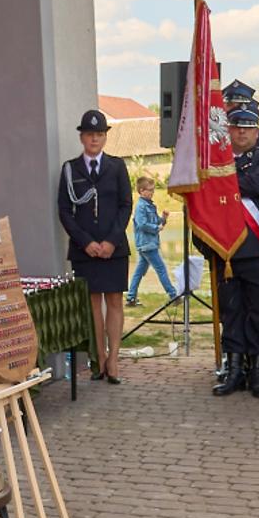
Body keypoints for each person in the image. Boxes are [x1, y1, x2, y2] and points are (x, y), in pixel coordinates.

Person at [56, 108, 134, 383]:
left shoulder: (117, 166)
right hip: (84, 250)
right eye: (89, 134)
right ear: (82, 137)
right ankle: (99, 358)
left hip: (114, 249)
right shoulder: (70, 169)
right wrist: (86, 242)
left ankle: (114, 360)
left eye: (99, 134)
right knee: (92, 305)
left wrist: (111, 241)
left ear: (105, 137)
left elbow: (126, 205)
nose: (94, 139)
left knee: (114, 301)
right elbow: (64, 211)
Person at [212, 105, 259, 398]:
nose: (241, 131)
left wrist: (220, 180)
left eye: (248, 127)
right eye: (236, 126)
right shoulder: (216, 159)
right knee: (231, 311)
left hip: (257, 249)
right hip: (225, 250)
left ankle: (256, 372)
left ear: (256, 131)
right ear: (228, 130)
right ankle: (234, 370)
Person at [125, 177, 175, 306]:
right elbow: (142, 224)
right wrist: (156, 228)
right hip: (147, 244)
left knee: (139, 272)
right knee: (161, 269)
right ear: (142, 191)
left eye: (153, 190)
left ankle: (131, 297)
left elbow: (157, 221)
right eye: (150, 190)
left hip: (149, 244)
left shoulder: (150, 205)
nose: (152, 192)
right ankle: (173, 295)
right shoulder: (140, 207)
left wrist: (163, 218)